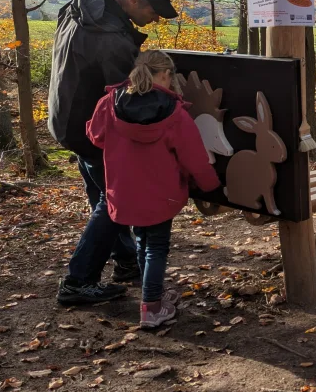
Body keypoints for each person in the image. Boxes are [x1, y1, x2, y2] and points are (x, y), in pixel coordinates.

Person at [48, 0, 179, 305]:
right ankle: (79, 281)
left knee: (100, 193)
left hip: (70, 119)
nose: (157, 18)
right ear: (133, 0)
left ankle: (125, 261)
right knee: (114, 202)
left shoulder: (84, 6)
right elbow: (130, 100)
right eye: (154, 11)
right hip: (90, 127)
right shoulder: (111, 39)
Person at [86, 50, 221, 327]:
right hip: (162, 194)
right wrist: (212, 187)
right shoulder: (176, 113)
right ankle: (152, 308)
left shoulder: (109, 102)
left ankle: (154, 295)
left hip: (123, 190)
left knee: (143, 241)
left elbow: (95, 136)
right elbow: (195, 159)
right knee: (156, 246)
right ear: (166, 74)